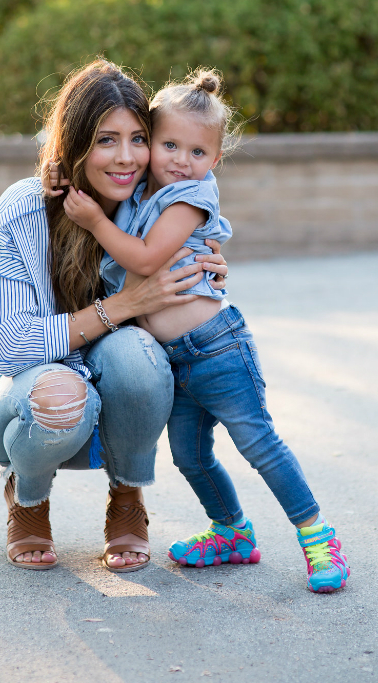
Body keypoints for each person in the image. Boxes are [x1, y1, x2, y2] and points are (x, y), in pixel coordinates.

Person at [51, 67, 350, 593]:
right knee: (190, 455)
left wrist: (95, 223)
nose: (181, 162)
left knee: (259, 443)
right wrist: (59, 180)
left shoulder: (189, 198)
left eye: (197, 153)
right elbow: (95, 168)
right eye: (168, 145)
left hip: (217, 349)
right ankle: (231, 530)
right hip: (176, 360)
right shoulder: (145, 187)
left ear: (214, 160)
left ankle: (317, 536)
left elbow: (143, 257)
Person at [0, 60, 228, 572]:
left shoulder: (151, 211)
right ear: (77, 143)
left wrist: (204, 265)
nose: (125, 157)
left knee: (138, 355)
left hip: (109, 417)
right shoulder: (25, 207)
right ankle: (29, 500)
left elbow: (185, 302)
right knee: (60, 390)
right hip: (21, 405)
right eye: (106, 140)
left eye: (138, 139)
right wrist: (123, 306)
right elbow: (10, 346)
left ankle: (127, 498)